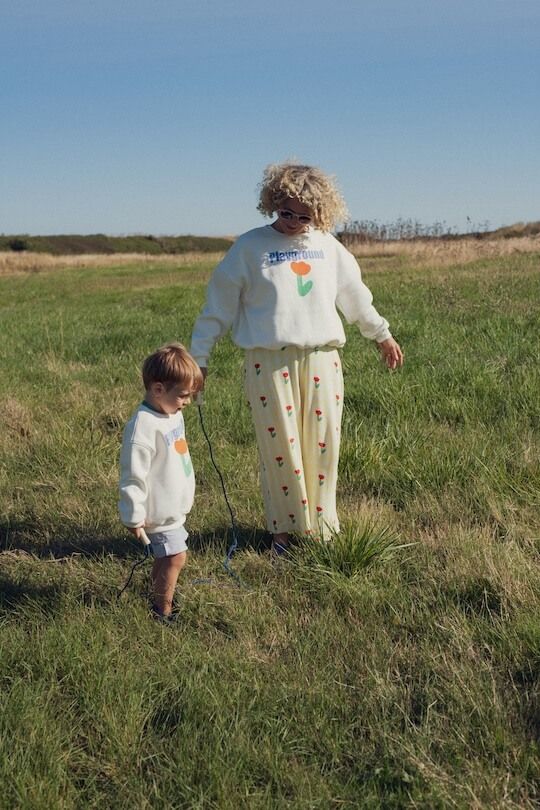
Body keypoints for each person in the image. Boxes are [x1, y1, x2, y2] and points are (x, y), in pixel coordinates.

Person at [190, 162, 403, 554]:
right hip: (267, 362)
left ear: (321, 215)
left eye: (303, 216)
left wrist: (381, 335)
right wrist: (199, 356)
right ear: (272, 202)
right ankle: (282, 534)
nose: (292, 222)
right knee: (280, 448)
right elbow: (216, 307)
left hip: (322, 359)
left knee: (322, 444)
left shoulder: (328, 247)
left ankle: (320, 529)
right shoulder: (248, 248)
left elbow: (355, 296)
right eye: (285, 212)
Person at [119, 342, 203, 620]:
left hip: (172, 507)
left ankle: (155, 594)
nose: (187, 402)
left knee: (165, 557)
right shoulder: (143, 427)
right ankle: (162, 611)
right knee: (176, 557)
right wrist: (133, 515)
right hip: (158, 512)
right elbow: (133, 474)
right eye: (182, 396)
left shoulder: (170, 413)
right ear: (157, 389)